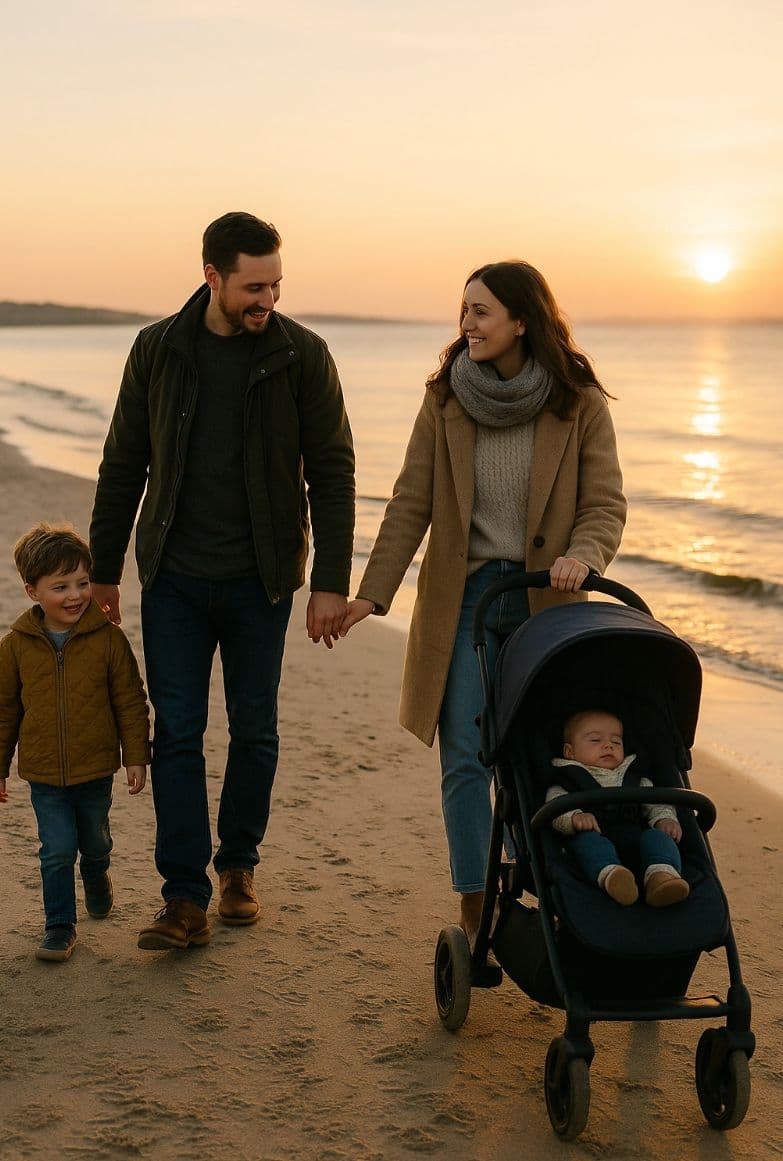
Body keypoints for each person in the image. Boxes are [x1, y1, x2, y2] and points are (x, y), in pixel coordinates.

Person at [339, 260, 626, 946]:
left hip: (545, 605)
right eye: (462, 310)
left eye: (480, 311)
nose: (465, 323)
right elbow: (410, 502)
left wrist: (582, 555)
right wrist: (370, 594)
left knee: (532, 757)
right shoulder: (444, 400)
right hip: (463, 603)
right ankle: (475, 908)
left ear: (521, 320)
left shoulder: (576, 401)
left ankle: (556, 890)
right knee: (465, 757)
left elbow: (604, 503)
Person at [89, 211, 355, 951]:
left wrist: (330, 581)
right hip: (172, 575)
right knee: (177, 733)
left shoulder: (304, 355)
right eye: (252, 285)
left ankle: (237, 865)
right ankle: (184, 896)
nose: (266, 297)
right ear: (211, 275)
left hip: (261, 580)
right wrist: (105, 570)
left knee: (254, 728)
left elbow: (333, 473)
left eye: (275, 284)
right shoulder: (158, 350)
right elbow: (123, 464)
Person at [0, 523, 149, 962]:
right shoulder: (16, 647)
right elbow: (5, 712)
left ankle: (98, 873)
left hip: (95, 767)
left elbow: (130, 700)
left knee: (96, 841)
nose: (75, 595)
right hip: (45, 773)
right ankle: (60, 927)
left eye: (82, 582)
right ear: (33, 592)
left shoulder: (108, 640)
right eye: (60, 586)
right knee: (57, 849)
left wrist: (136, 756)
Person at [546, 709, 690, 907]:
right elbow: (555, 809)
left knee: (657, 837)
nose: (608, 745)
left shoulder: (637, 778)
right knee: (587, 842)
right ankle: (612, 877)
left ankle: (661, 877)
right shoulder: (566, 781)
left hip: (638, 844)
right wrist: (574, 817)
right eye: (595, 740)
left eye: (616, 741)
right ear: (570, 752)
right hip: (596, 840)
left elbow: (657, 803)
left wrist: (664, 819)